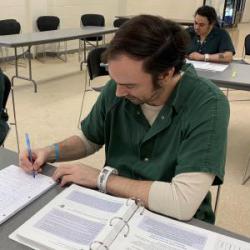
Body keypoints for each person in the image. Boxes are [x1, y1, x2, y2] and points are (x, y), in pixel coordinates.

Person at [20, 15, 230, 224]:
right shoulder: (118, 87)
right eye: (115, 80)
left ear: (165, 74)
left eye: (130, 85)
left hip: (174, 223)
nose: (118, 92)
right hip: (116, 208)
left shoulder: (208, 104)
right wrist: (50, 152)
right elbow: (89, 138)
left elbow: (181, 202)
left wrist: (100, 179)